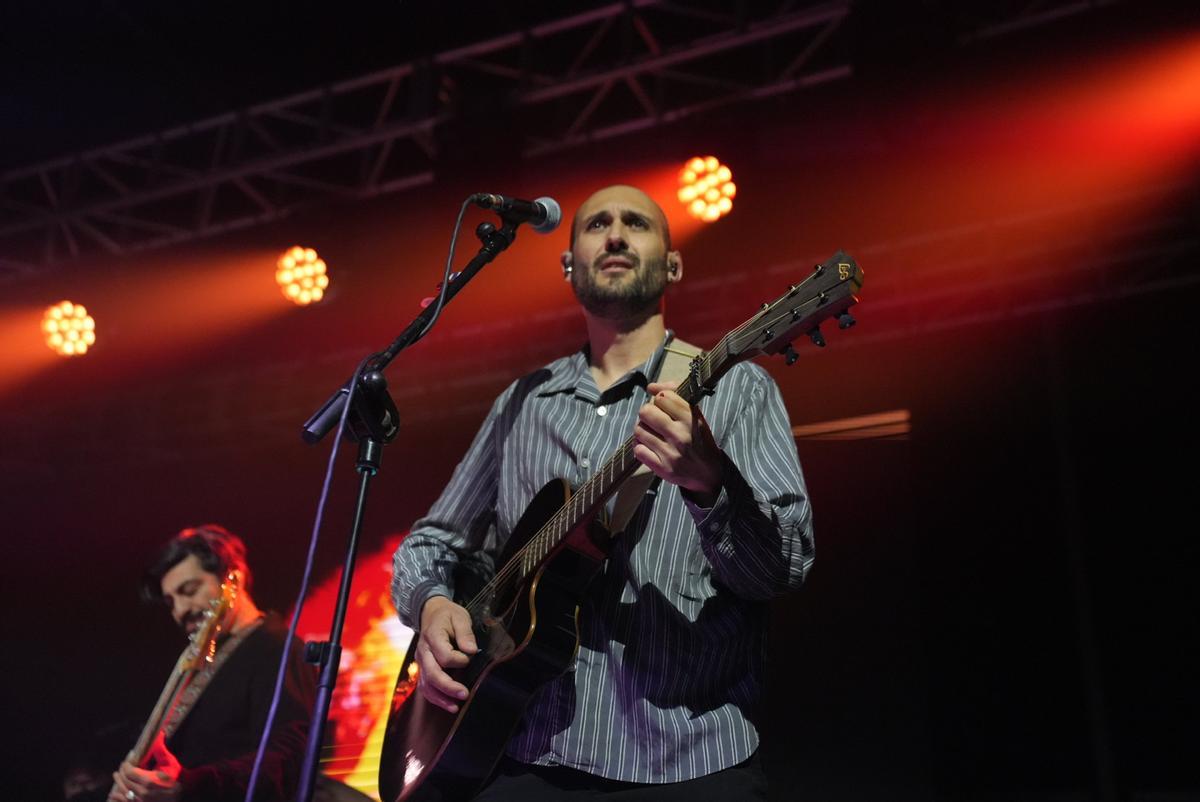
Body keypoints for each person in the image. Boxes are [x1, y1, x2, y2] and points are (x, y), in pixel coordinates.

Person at [391, 184, 815, 799]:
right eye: (596, 226)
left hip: (688, 764)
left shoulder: (738, 390)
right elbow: (432, 541)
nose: (614, 235)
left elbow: (786, 567)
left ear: (673, 263)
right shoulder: (523, 402)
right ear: (568, 266)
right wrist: (432, 606)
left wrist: (708, 483)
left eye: (636, 223)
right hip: (519, 755)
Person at [108, 525, 315, 802]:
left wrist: (189, 785)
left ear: (233, 580)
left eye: (190, 590)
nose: (180, 610)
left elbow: (288, 760)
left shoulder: (276, 647)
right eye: (171, 602)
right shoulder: (201, 660)